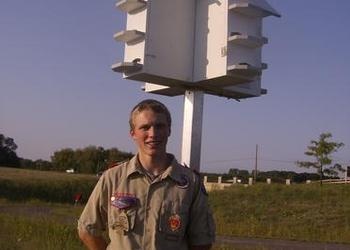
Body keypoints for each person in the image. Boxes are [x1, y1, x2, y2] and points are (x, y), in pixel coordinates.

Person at [77, 99, 215, 250]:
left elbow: (201, 241)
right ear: (133, 133)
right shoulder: (113, 178)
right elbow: (87, 229)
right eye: (145, 127)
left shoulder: (191, 183)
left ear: (169, 130)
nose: (153, 134)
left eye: (160, 126)